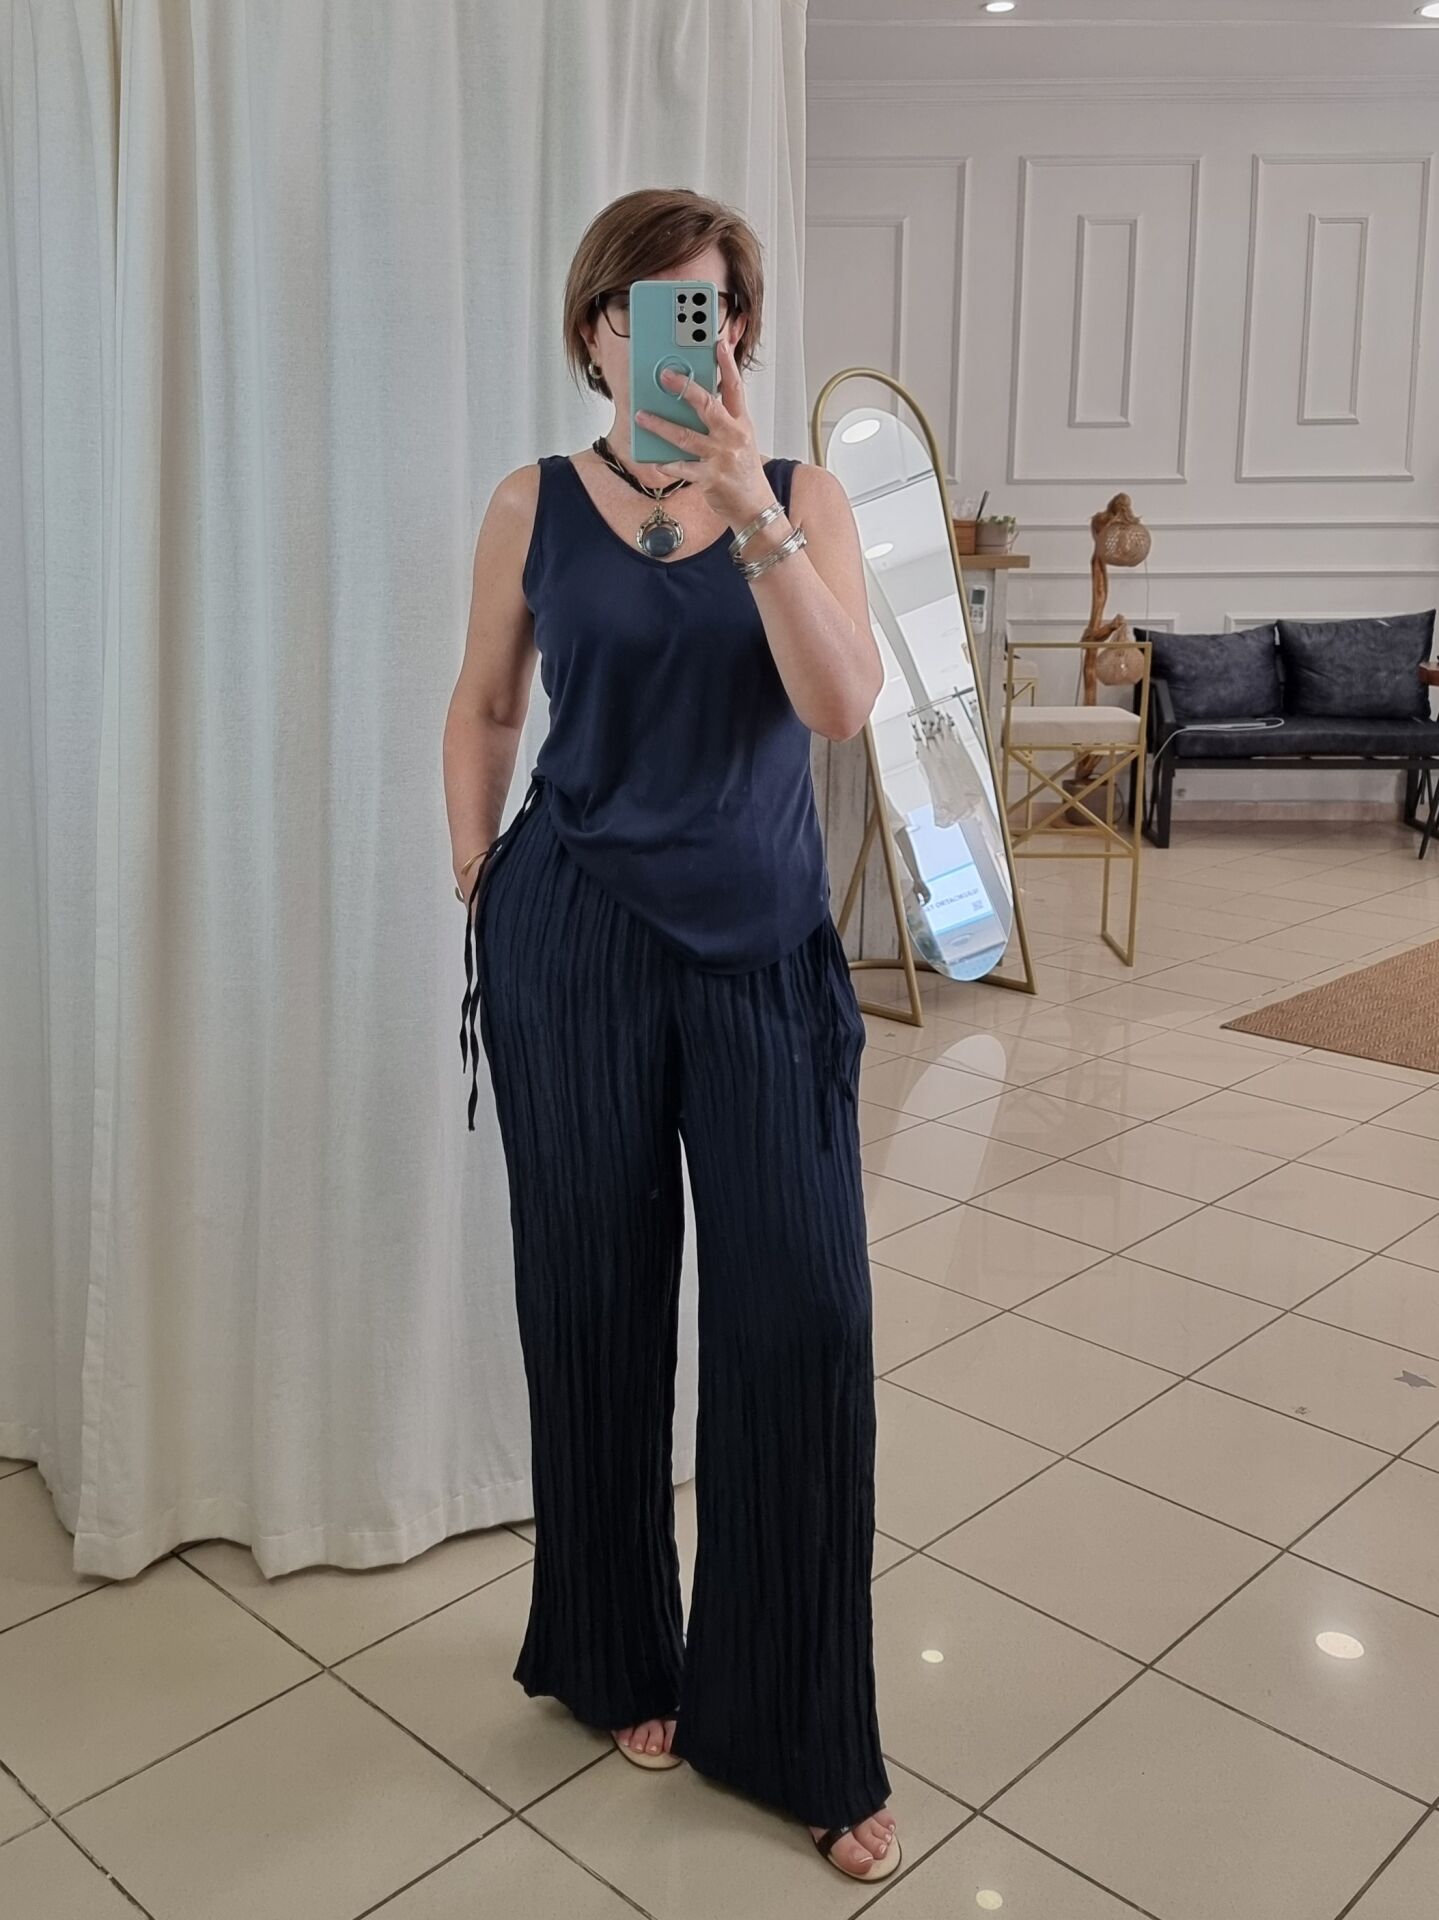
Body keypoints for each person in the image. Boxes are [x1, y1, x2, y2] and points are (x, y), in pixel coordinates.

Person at [441, 187, 899, 1884]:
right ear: (591, 333)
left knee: (803, 1324)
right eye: (632, 310)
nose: (662, 336)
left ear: (738, 331)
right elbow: (488, 702)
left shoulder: (803, 495)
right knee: (592, 1305)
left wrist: (751, 513)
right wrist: (480, 877)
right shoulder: (532, 502)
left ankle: (795, 1726)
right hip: (575, 942)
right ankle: (615, 1651)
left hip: (762, 951)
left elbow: (841, 703)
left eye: (695, 307)